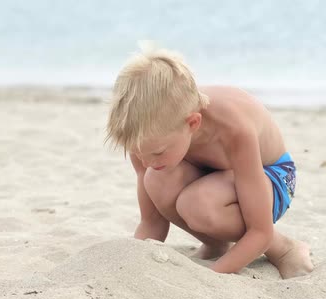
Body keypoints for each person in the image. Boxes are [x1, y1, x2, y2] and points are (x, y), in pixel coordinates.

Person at [105, 47, 314, 279]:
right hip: (214, 179)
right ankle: (215, 245)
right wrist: (132, 266)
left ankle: (284, 248)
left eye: (158, 152)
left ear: (193, 123)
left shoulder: (233, 129)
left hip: (273, 178)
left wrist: (208, 279)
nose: (146, 161)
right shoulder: (144, 138)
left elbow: (259, 231)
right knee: (155, 180)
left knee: (197, 204)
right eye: (137, 152)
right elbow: (151, 222)